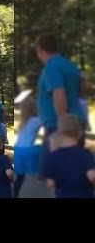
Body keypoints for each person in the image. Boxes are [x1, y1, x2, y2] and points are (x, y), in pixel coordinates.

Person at [35, 34, 87, 175]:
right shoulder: (69, 65)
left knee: (53, 172)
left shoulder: (51, 67)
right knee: (74, 169)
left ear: (40, 50)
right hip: (77, 121)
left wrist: (62, 121)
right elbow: (83, 89)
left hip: (58, 125)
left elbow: (59, 93)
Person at [44, 114, 95, 198]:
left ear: (59, 133)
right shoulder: (85, 153)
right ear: (80, 133)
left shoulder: (53, 156)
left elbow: (50, 183)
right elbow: (92, 176)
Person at [13, 93, 42, 198]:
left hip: (19, 150)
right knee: (47, 150)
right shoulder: (35, 120)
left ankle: (15, 193)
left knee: (21, 176)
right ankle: (42, 173)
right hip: (27, 150)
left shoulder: (23, 121)